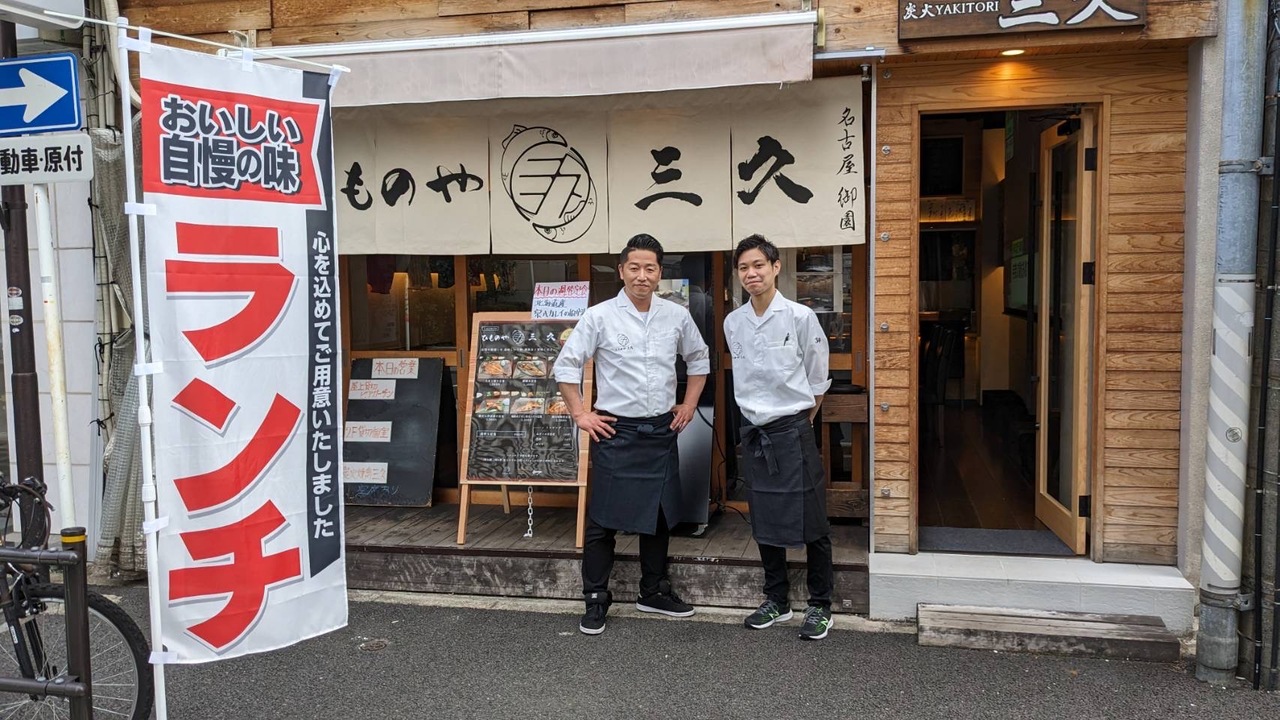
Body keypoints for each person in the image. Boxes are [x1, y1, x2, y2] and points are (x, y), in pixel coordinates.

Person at [553, 234, 710, 636]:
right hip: (614, 429)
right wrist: (581, 414)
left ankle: (654, 590)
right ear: (622, 270)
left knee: (659, 515)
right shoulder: (600, 316)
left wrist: (689, 404)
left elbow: (699, 359)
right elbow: (566, 366)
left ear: (660, 273)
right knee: (602, 520)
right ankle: (595, 597)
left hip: (660, 429)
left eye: (650, 268)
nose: (642, 275)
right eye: (634, 267)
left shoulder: (675, 315)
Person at [723, 234, 835, 641]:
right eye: (743, 267)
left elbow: (818, 378)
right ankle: (778, 599)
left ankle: (821, 604)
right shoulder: (732, 322)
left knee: (813, 521)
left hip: (791, 429)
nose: (751, 274)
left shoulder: (800, 317)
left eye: (758, 265)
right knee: (764, 518)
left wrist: (801, 423)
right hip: (754, 432)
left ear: (775, 267)